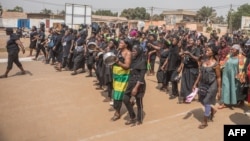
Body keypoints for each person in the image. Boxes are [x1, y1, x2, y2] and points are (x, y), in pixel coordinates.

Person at [193, 45, 221, 129]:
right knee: (202, 100)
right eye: (206, 50)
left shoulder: (216, 64)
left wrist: (219, 90)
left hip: (212, 85)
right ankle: (212, 110)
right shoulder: (204, 62)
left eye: (208, 50)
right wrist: (195, 83)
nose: (206, 51)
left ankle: (205, 122)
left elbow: (219, 77)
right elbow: (200, 74)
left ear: (213, 53)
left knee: (206, 102)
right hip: (203, 84)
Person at [123, 44, 147, 125]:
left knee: (139, 102)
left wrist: (136, 88)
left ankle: (139, 120)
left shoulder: (143, 61)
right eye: (132, 51)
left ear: (139, 52)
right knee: (125, 98)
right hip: (131, 82)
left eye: (134, 51)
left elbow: (142, 76)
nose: (133, 52)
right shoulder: (133, 60)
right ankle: (132, 116)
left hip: (139, 84)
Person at [218, 44, 247, 109]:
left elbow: (243, 68)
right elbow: (223, 63)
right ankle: (224, 103)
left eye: (233, 49)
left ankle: (238, 101)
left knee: (236, 89)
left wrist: (240, 75)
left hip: (235, 76)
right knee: (226, 88)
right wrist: (221, 65)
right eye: (231, 49)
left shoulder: (242, 58)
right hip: (226, 75)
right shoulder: (229, 56)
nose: (231, 50)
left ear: (237, 50)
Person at [111, 39, 132, 121]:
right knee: (116, 93)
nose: (119, 44)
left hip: (123, 77)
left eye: (121, 43)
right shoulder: (118, 51)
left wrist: (118, 62)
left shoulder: (128, 53)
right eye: (119, 42)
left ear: (126, 45)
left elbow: (127, 66)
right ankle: (127, 102)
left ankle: (117, 112)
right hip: (116, 76)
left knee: (118, 95)